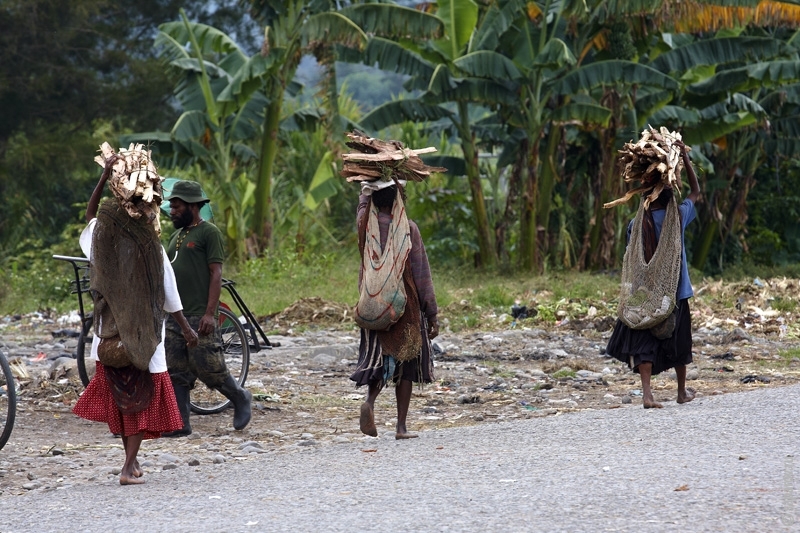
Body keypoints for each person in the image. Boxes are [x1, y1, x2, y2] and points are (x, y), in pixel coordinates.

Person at [73, 154, 199, 485]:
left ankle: (132, 461)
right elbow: (170, 295)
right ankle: (128, 468)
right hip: (143, 339)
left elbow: (90, 216)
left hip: (110, 337)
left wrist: (103, 177)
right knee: (142, 404)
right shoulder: (151, 246)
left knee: (123, 402)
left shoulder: (103, 238)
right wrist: (186, 329)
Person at [606, 143, 701, 408]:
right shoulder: (679, 217)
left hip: (644, 294)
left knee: (644, 340)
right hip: (676, 291)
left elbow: (633, 258)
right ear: (667, 190)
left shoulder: (635, 225)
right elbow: (695, 192)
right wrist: (684, 158)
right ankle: (681, 392)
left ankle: (647, 395)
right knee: (680, 344)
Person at [162, 180, 252, 437]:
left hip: (199, 313)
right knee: (176, 369)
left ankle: (239, 397)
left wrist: (210, 313)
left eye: (177, 206)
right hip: (176, 314)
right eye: (171, 206)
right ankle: (181, 423)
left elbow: (216, 273)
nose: (172, 211)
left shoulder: (208, 233)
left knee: (209, 366)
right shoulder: (175, 236)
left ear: (192, 205)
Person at [351, 182, 439, 439]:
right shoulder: (408, 229)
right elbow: (422, 274)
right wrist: (431, 313)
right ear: (401, 198)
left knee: (380, 358)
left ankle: (370, 400)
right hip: (405, 307)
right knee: (407, 363)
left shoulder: (367, 227)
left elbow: (362, 207)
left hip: (373, 304)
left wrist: (365, 192)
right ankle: (401, 427)